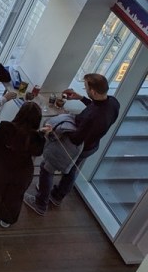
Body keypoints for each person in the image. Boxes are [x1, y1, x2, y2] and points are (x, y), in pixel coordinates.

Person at [24, 72, 120, 215]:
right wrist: (81, 98)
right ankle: (57, 196)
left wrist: (53, 131)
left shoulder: (93, 117)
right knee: (71, 170)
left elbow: (75, 138)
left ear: (93, 91)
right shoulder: (113, 102)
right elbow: (95, 106)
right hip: (91, 147)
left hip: (76, 147)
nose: (85, 89)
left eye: (86, 87)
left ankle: (40, 204)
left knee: (47, 168)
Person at [0, 101, 45, 228]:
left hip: (0, 168)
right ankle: (7, 220)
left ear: (20, 113)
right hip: (23, 172)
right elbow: (38, 152)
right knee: (14, 197)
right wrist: (42, 134)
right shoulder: (36, 137)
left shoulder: (6, 127)